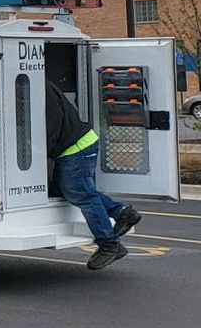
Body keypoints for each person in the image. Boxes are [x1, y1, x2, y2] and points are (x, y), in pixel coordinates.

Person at [47, 77, 139, 269]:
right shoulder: (42, 85)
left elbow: (52, 123)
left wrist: (42, 153)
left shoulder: (40, 90)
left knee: (82, 195)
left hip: (75, 147)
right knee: (75, 190)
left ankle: (109, 245)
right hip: (81, 143)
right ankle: (122, 212)